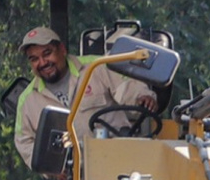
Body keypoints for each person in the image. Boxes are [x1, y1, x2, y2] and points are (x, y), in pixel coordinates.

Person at [11, 25, 160, 166]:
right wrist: (50, 167)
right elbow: (24, 142)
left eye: (47, 53)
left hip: (119, 165)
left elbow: (127, 86)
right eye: (34, 59)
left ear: (62, 49)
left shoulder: (96, 67)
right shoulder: (28, 100)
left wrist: (142, 97)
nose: (42, 63)